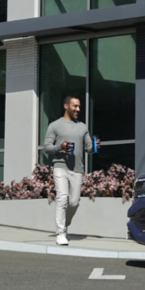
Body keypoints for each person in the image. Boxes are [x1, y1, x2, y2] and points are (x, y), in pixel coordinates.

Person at [43, 96, 100, 246]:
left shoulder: (83, 126)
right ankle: (60, 233)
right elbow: (46, 147)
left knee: (74, 202)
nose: (78, 109)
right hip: (60, 167)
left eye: (79, 107)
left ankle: (65, 222)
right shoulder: (54, 125)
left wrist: (95, 147)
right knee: (62, 198)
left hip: (77, 169)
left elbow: (88, 148)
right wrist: (59, 147)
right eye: (75, 106)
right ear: (66, 106)